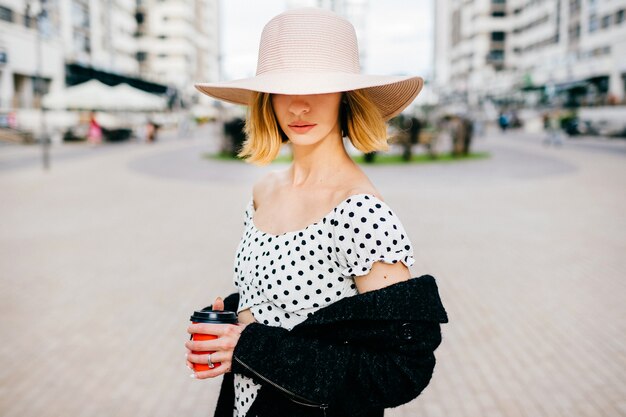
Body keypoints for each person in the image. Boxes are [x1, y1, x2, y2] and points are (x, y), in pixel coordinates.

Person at [185, 8, 448, 417]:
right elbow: (293, 312)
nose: (299, 105)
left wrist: (249, 345)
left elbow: (402, 368)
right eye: (282, 88)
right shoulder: (263, 189)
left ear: (347, 96)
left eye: (319, 87)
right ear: (266, 100)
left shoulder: (361, 212)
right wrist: (229, 324)